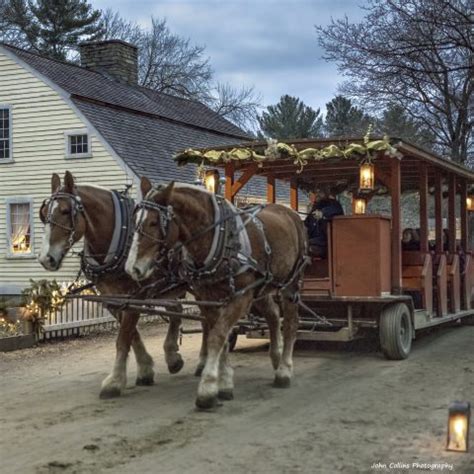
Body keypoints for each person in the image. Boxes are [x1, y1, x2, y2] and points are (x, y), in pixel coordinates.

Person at [304, 187, 344, 258]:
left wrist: (323, 213)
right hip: (313, 240)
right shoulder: (315, 206)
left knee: (307, 246)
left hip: (328, 243)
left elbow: (335, 210)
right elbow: (307, 223)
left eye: (319, 192)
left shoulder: (334, 204)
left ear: (326, 193)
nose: (317, 194)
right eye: (315, 192)